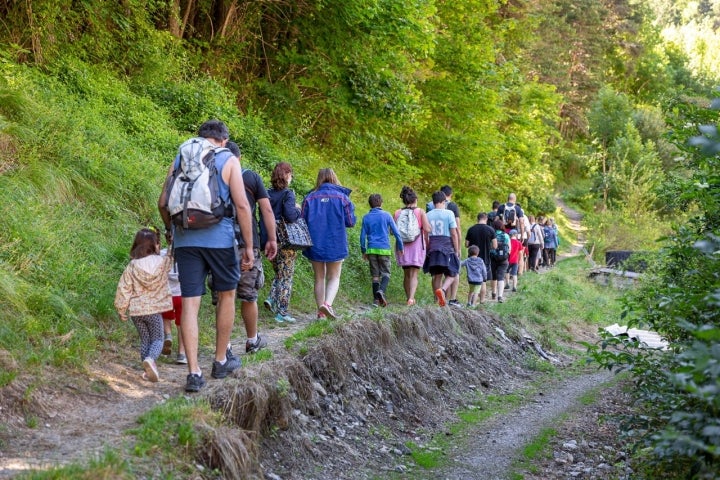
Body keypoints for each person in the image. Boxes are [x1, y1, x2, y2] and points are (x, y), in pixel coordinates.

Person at [158, 119, 255, 393]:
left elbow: (163, 203)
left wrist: (170, 230)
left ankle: (193, 372)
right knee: (226, 295)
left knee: (190, 303)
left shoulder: (181, 155)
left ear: (199, 138)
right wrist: (248, 246)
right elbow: (242, 206)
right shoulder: (228, 160)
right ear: (223, 140)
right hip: (220, 239)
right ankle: (220, 359)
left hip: (186, 239)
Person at [224, 141, 277, 354]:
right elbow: (266, 209)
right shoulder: (250, 177)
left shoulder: (212, 174)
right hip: (248, 243)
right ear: (239, 157)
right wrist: (271, 238)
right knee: (248, 294)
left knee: (223, 295)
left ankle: (224, 346)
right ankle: (252, 340)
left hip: (218, 243)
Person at [114, 228, 173, 383]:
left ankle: (147, 371)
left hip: (137, 311)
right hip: (154, 310)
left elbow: (124, 287)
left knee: (145, 340)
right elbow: (172, 256)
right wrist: (170, 243)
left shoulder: (132, 265)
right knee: (158, 339)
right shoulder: (162, 262)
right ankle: (150, 360)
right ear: (155, 245)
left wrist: (121, 308)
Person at [302, 168, 356, 319]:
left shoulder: (309, 198)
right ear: (334, 178)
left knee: (319, 277)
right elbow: (350, 222)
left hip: (315, 242)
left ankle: (321, 313)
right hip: (335, 242)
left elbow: (302, 220)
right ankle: (327, 305)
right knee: (334, 277)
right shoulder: (343, 198)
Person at [262, 162, 302, 323]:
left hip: (268, 241)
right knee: (287, 277)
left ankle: (271, 299)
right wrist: (298, 209)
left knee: (280, 273)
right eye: (290, 174)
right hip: (285, 241)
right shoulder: (288, 194)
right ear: (286, 175)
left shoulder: (266, 193)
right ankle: (282, 312)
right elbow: (291, 216)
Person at [360, 194, 404, 307]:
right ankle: (381, 291)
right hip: (384, 249)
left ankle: (375, 301)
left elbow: (362, 236)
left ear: (370, 204)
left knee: (375, 275)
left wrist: (363, 250)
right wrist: (400, 246)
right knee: (386, 273)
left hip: (371, 250)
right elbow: (396, 233)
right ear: (381, 203)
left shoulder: (366, 217)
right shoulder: (387, 215)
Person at [394, 186, 431, 306]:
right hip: (416, 245)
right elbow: (426, 228)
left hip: (402, 246)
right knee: (414, 274)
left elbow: (393, 231)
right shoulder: (420, 211)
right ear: (415, 199)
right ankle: (411, 298)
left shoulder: (398, 212)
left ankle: (407, 298)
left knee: (406, 274)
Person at [423, 191, 460, 307]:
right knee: (453, 271)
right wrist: (457, 249)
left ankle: (436, 301)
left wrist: (428, 247)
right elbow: (454, 233)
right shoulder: (449, 213)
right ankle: (443, 290)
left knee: (437, 275)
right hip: (446, 245)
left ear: (433, 202)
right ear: (444, 201)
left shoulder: (427, 215)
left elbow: (425, 234)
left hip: (433, 245)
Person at [160, 246, 187, 364]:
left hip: (166, 294)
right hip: (182, 294)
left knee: (166, 318)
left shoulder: (162, 254)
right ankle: (181, 353)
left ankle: (168, 335)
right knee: (182, 323)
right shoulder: (186, 253)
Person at [465, 212, 496, 303]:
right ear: (486, 219)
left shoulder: (471, 229)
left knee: (472, 280)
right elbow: (495, 245)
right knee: (483, 281)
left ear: (477, 219)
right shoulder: (490, 230)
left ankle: (470, 301)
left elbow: (466, 244)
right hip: (485, 259)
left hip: (472, 259)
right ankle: (482, 301)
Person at [440, 185, 462, 306]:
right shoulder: (453, 206)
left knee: (441, 272)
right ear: (450, 194)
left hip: (437, 242)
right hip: (451, 243)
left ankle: (441, 299)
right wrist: (458, 247)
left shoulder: (432, 206)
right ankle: (452, 299)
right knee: (454, 271)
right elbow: (457, 228)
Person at [491, 218, 511, 302]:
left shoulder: (492, 235)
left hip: (493, 257)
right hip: (503, 259)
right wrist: (506, 255)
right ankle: (500, 296)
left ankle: (493, 293)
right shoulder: (506, 235)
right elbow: (509, 248)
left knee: (494, 276)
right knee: (501, 277)